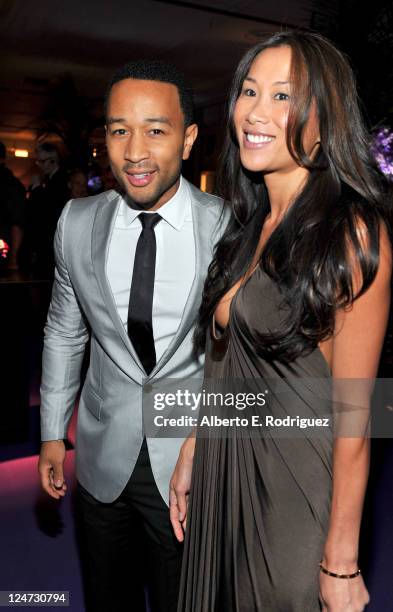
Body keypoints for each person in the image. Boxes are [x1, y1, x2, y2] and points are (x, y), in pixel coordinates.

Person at [170, 31, 392, 611]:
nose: (256, 112)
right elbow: (223, 363)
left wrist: (341, 564)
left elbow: (357, 417)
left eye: (283, 96)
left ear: (324, 119)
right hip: (222, 469)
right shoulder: (244, 230)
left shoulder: (352, 234)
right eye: (249, 91)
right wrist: (195, 443)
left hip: (291, 492)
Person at [38, 60, 226, 612]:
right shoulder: (76, 222)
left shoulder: (229, 228)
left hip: (191, 462)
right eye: (120, 130)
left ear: (188, 139)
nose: (135, 151)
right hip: (101, 455)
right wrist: (52, 432)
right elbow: (64, 331)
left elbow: (241, 357)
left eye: (156, 130)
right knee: (107, 596)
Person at [0, 141, 26, 271]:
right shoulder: (12, 184)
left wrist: (13, 259)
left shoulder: (10, 186)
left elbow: (17, 223)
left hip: (3, 250)